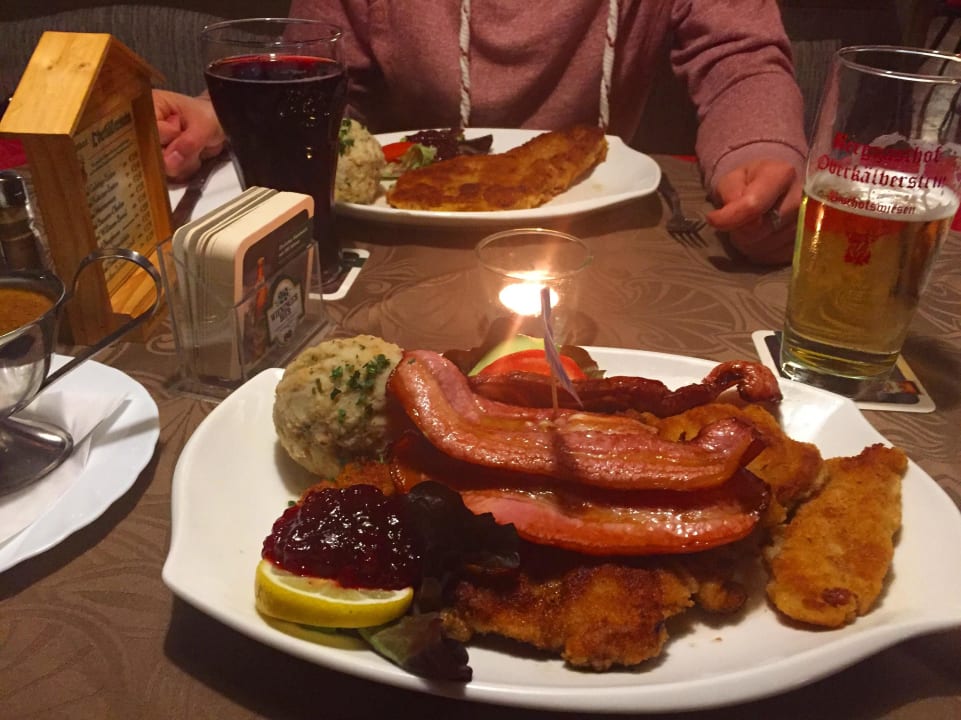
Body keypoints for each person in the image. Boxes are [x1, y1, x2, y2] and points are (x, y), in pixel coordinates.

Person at [155, 0, 807, 264]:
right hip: (392, 249)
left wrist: (760, 149)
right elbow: (316, 73)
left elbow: (740, 61)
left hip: (599, 244)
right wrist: (217, 116)